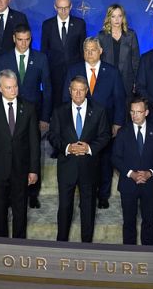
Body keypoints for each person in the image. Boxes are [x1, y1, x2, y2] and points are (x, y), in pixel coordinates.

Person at [64, 36, 126, 209]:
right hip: (79, 125)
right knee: (83, 161)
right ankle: (85, 195)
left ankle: (103, 195)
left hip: (104, 126)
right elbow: (64, 98)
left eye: (93, 50)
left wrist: (117, 123)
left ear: (100, 51)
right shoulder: (73, 71)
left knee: (105, 161)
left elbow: (119, 99)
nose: (90, 53)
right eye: (86, 50)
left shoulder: (112, 71)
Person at [0, 24, 52, 208]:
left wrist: (45, 117)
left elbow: (48, 90)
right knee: (12, 154)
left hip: (33, 115)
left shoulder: (41, 58)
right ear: (13, 38)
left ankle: (32, 194)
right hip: (10, 115)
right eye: (20, 39)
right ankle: (12, 194)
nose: (23, 43)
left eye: (27, 39)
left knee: (33, 152)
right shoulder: (4, 59)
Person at [50, 75, 111, 243]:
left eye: (81, 90)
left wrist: (89, 148)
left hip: (89, 168)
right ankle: (61, 243)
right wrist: (68, 148)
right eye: (74, 90)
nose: (77, 93)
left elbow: (105, 136)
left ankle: (86, 245)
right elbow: (53, 136)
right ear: (69, 91)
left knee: (88, 208)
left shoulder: (99, 110)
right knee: (64, 208)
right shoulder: (59, 111)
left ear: (87, 91)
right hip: (67, 167)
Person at [0, 70, 40, 238]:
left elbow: (34, 143)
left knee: (20, 211)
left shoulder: (28, 108)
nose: (13, 91)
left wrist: (34, 170)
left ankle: (19, 247)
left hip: (21, 170)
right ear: (0, 88)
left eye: (15, 87)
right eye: (8, 88)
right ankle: (1, 246)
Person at [112, 97, 153, 245]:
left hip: (150, 186)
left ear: (147, 112)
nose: (135, 115)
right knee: (128, 222)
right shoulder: (123, 132)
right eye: (132, 112)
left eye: (139, 112)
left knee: (148, 222)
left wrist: (149, 173)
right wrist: (131, 174)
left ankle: (148, 255)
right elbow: (116, 158)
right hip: (128, 185)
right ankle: (130, 256)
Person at [41, 0, 87, 121]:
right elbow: (44, 50)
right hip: (54, 71)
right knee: (56, 102)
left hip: (74, 72)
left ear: (71, 6)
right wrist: (44, 73)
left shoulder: (79, 24)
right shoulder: (47, 25)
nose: (63, 11)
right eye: (60, 8)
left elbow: (82, 50)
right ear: (55, 7)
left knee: (75, 103)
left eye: (66, 8)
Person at [98, 3, 140, 103]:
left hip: (126, 81)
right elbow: (98, 60)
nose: (117, 20)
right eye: (113, 16)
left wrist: (136, 81)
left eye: (119, 16)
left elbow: (136, 60)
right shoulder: (102, 36)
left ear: (123, 17)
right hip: (107, 81)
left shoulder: (131, 35)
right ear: (109, 18)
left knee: (125, 112)